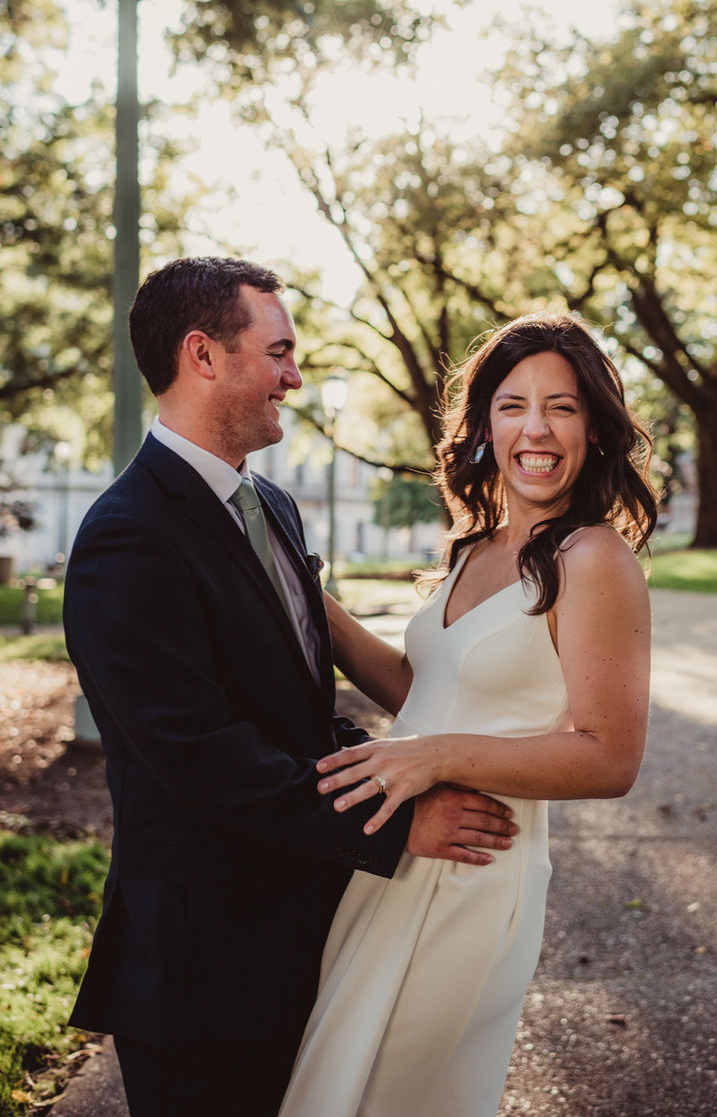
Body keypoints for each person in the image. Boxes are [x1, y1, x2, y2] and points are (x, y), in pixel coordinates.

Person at [63, 256, 517, 1117]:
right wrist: (395, 819)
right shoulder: (128, 537)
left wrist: (393, 763)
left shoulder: (272, 507)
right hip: (202, 970)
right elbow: (201, 757)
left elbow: (292, 714)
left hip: (300, 932)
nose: (294, 376)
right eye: (278, 352)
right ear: (204, 355)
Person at [277, 311, 657, 1117]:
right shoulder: (476, 547)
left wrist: (434, 757)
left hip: (475, 871)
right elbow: (422, 688)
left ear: (593, 427)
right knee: (337, 1083)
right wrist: (307, 599)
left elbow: (608, 758)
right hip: (394, 850)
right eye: (513, 404)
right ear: (484, 424)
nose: (537, 428)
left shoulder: (592, 559)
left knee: (399, 1094)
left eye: (562, 406)